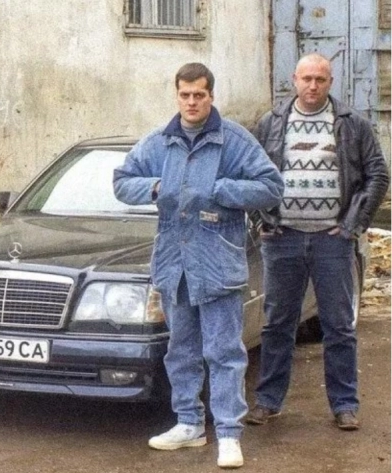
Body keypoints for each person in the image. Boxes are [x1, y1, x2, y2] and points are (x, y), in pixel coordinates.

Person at [113, 63, 284, 469]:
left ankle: (228, 433)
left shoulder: (234, 141)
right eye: (185, 95)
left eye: (199, 95)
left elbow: (271, 186)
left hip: (217, 262)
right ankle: (189, 423)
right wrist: (155, 186)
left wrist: (222, 190)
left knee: (224, 352)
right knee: (181, 350)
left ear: (211, 96)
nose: (192, 102)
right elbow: (121, 181)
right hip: (175, 264)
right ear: (177, 95)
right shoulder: (160, 141)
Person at [246, 53, 389, 431]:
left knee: (338, 326)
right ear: (294, 80)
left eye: (320, 79)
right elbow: (250, 175)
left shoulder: (352, 124)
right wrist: (263, 219)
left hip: (333, 241)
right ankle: (268, 401)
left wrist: (353, 225)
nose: (313, 85)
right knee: (277, 325)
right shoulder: (271, 123)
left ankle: (344, 404)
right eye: (306, 78)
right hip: (283, 240)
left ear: (330, 82)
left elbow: (378, 174)